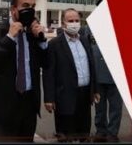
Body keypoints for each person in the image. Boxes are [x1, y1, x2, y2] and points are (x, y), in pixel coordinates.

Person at [0, 0, 48, 142]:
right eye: (25, 5)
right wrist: (9, 38)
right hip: (5, 104)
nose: (30, 10)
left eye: (33, 6)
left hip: (29, 105)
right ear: (13, 9)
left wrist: (42, 40)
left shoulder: (33, 33)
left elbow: (46, 64)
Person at [43, 8, 100, 142]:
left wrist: (95, 89)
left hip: (85, 95)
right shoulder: (54, 44)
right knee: (65, 135)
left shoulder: (85, 41)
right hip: (64, 96)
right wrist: (49, 98)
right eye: (70, 21)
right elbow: (48, 73)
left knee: (84, 132)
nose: (74, 23)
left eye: (76, 20)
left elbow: (92, 66)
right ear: (63, 24)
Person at [82, 0, 123, 143]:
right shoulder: (91, 27)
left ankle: (112, 133)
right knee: (99, 107)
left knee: (115, 107)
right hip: (97, 75)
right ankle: (100, 131)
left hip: (116, 76)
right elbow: (86, 48)